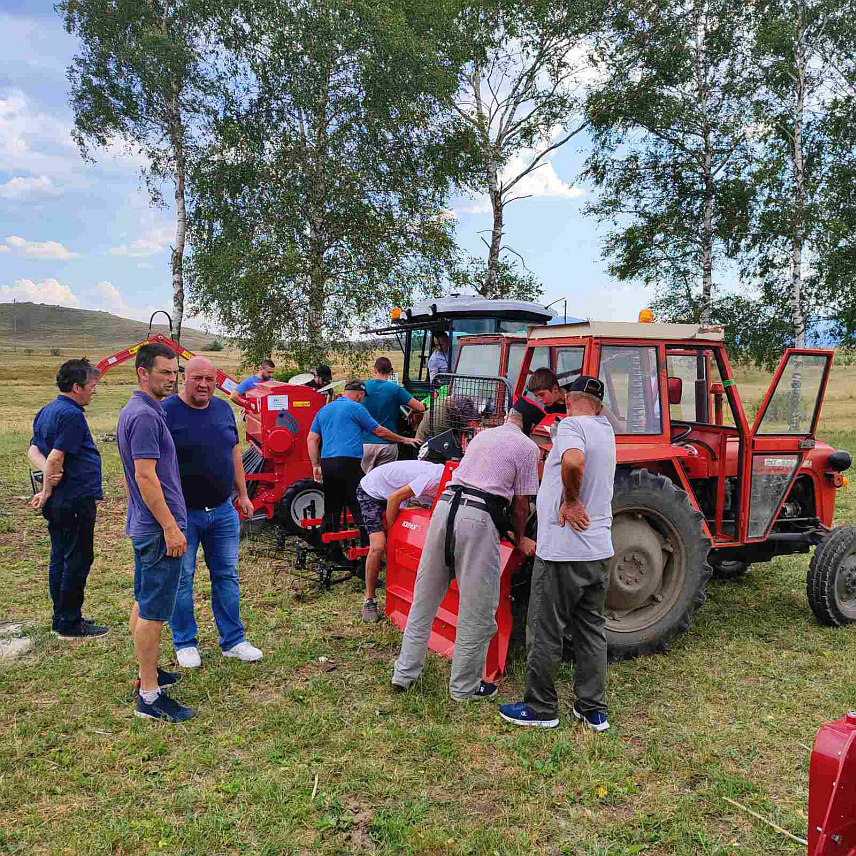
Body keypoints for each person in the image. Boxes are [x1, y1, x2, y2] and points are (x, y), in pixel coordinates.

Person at [391, 397, 543, 701]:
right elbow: (522, 503)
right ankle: (464, 688)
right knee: (477, 610)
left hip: (444, 511)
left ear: (509, 416)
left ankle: (404, 674)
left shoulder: (483, 436)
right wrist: (519, 536)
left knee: (424, 600)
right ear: (532, 425)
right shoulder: (528, 448)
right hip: (478, 519)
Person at [499, 376, 616, 731]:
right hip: (598, 550)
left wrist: (570, 500)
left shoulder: (570, 428)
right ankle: (593, 708)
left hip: (564, 552)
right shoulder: (604, 429)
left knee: (545, 630)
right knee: (592, 629)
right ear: (598, 404)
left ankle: (541, 708)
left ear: (567, 400)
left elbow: (574, 463)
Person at [163, 357, 263, 669]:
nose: (204, 384)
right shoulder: (166, 411)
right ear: (185, 379)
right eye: (197, 378)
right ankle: (185, 642)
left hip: (222, 510)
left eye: (209, 379)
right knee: (182, 579)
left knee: (227, 576)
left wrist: (243, 494)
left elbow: (233, 452)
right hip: (184, 514)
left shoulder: (222, 409)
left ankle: (233, 641)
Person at [117, 342, 195, 723]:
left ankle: (146, 674)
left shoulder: (142, 410)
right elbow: (146, 477)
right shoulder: (145, 416)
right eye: (164, 372)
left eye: (174, 372)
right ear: (142, 373)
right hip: (157, 528)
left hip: (145, 524)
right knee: (153, 612)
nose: (172, 378)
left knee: (143, 600)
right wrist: (170, 527)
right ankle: (149, 695)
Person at [28, 359, 109, 639]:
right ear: (76, 387)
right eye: (92, 386)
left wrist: (46, 480)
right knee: (77, 558)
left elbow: (34, 451)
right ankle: (70, 623)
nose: (94, 392)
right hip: (74, 498)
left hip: (61, 501)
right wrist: (47, 488)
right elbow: (55, 456)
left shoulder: (47, 410)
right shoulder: (72, 415)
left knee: (60, 556)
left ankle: (60, 616)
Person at [307, 381, 420, 568]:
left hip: (328, 463)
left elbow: (311, 439)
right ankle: (368, 554)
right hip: (349, 462)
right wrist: (404, 439)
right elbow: (379, 431)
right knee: (361, 503)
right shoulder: (356, 408)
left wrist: (316, 465)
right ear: (360, 394)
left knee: (333, 506)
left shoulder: (325, 409)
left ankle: (331, 551)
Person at [355, 460, 445, 623]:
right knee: (379, 545)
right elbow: (393, 498)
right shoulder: (434, 478)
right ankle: (370, 600)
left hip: (395, 493)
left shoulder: (450, 484)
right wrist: (392, 533)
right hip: (372, 491)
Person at [361, 356, 425, 472]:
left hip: (365, 443)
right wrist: (412, 411)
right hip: (388, 444)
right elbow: (420, 407)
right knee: (385, 482)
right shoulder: (395, 389)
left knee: (364, 483)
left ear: (375, 370)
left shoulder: (363, 387)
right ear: (391, 372)